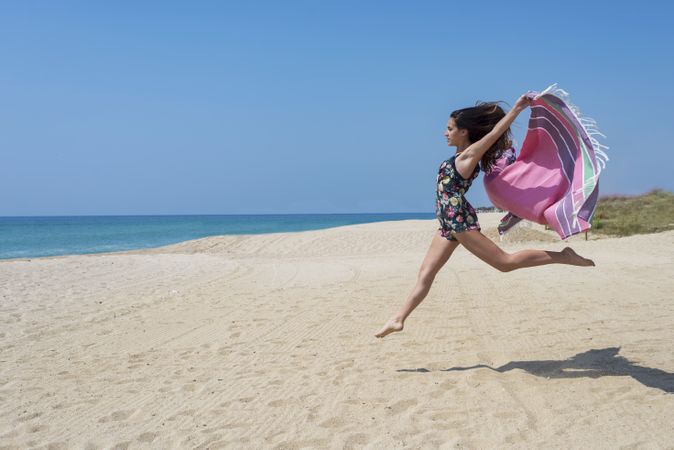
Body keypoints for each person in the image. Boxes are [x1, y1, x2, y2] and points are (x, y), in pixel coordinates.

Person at [375, 93, 595, 339]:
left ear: (464, 132)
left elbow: (492, 136)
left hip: (459, 222)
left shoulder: (469, 156)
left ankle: (563, 256)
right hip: (447, 223)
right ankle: (398, 319)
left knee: (504, 263)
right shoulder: (458, 157)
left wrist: (517, 109)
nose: (444, 133)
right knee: (425, 273)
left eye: (449, 129)